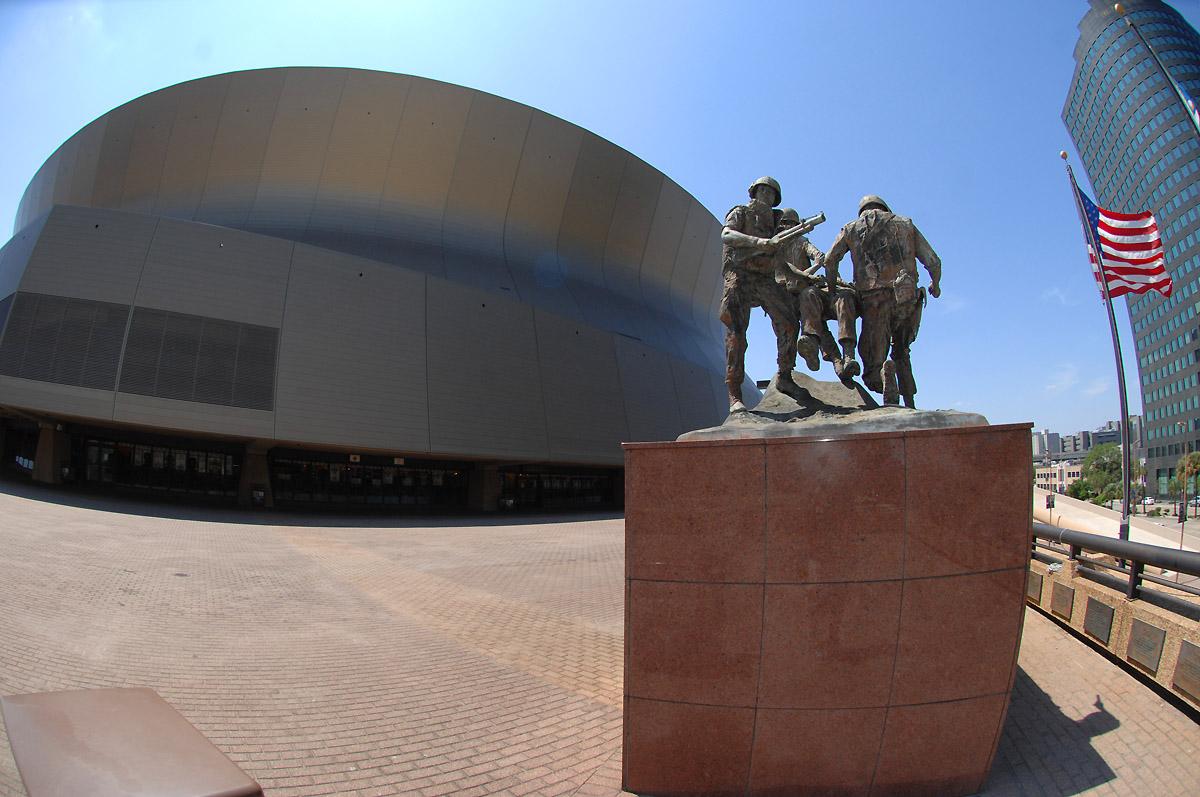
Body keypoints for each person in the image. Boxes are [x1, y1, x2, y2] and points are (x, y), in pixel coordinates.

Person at [824, 195, 941, 407]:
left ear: (862, 210)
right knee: (902, 351)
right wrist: (935, 284)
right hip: (909, 299)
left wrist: (832, 290)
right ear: (885, 207)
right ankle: (909, 401)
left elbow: (830, 260)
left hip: (875, 299)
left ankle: (883, 376)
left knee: (871, 365)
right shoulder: (905, 223)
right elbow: (933, 260)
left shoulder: (851, 228)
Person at [719, 177, 807, 410]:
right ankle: (735, 393)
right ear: (755, 192)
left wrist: (804, 276)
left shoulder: (775, 221)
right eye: (763, 190)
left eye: (771, 193)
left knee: (789, 323)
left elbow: (780, 261)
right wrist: (758, 241)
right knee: (737, 334)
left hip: (765, 278)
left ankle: (785, 376)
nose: (767, 195)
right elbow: (727, 235)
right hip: (740, 274)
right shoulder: (741, 212)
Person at [772, 208, 860, 381]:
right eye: (783, 225)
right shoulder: (772, 247)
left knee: (815, 323)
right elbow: (821, 259)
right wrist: (808, 274)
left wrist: (811, 274)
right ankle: (824, 360)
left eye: (788, 224)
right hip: (783, 299)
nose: (785, 228)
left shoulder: (801, 242)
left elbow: (820, 257)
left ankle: (837, 360)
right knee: (791, 338)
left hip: (802, 295)